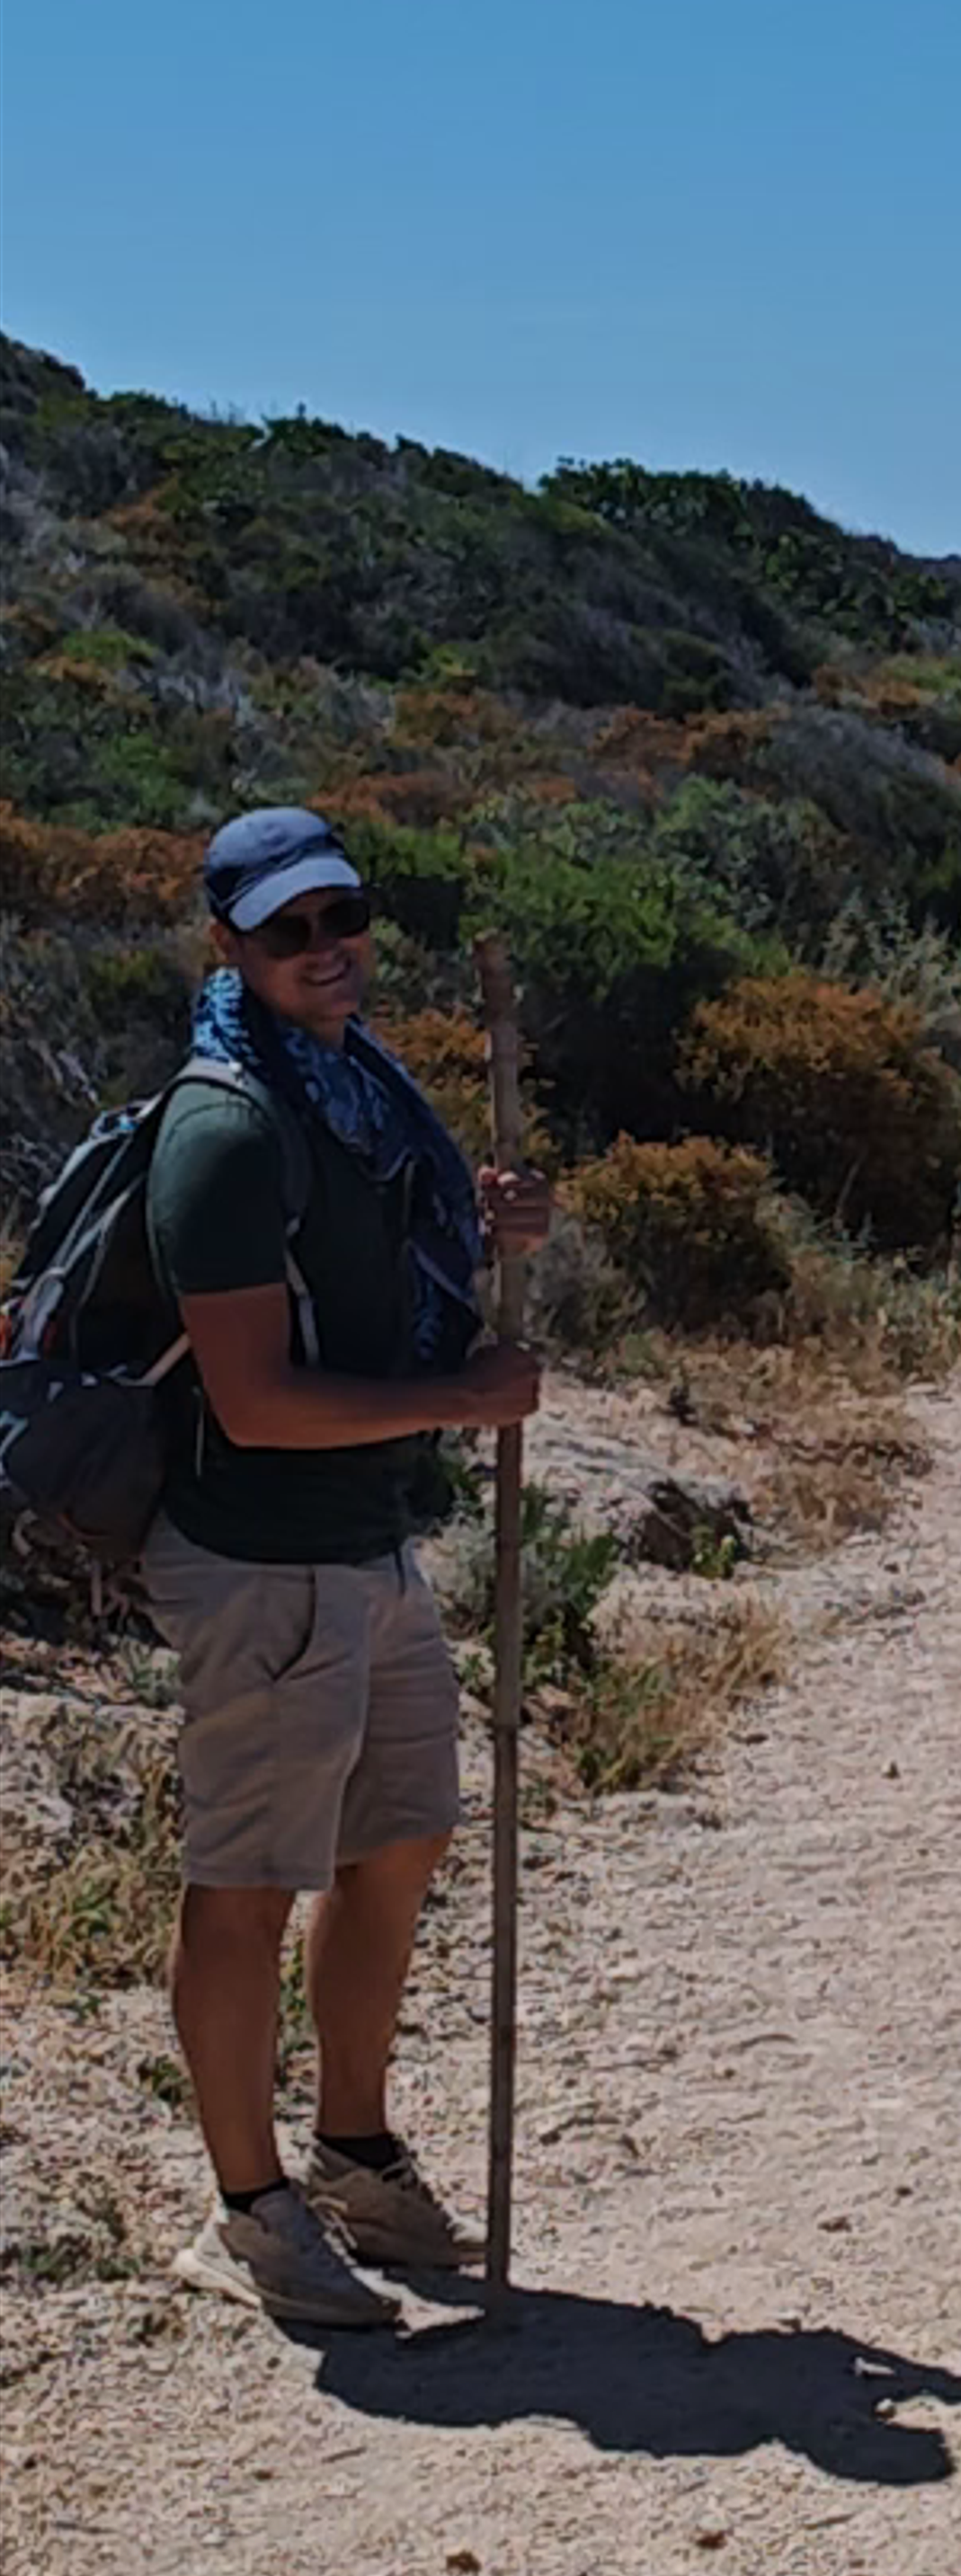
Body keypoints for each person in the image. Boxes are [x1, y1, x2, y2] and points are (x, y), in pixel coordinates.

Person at [138, 807, 550, 2332]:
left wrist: (496, 1228)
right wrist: (464, 1402)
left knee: (397, 1842)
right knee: (245, 1885)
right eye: (287, 930)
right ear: (231, 947)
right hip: (262, 1562)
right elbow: (254, 1399)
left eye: (342, 917)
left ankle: (356, 2152)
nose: (327, 950)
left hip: (369, 1544)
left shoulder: (365, 1094)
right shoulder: (229, 1130)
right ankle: (249, 2211)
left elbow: (394, 1277)